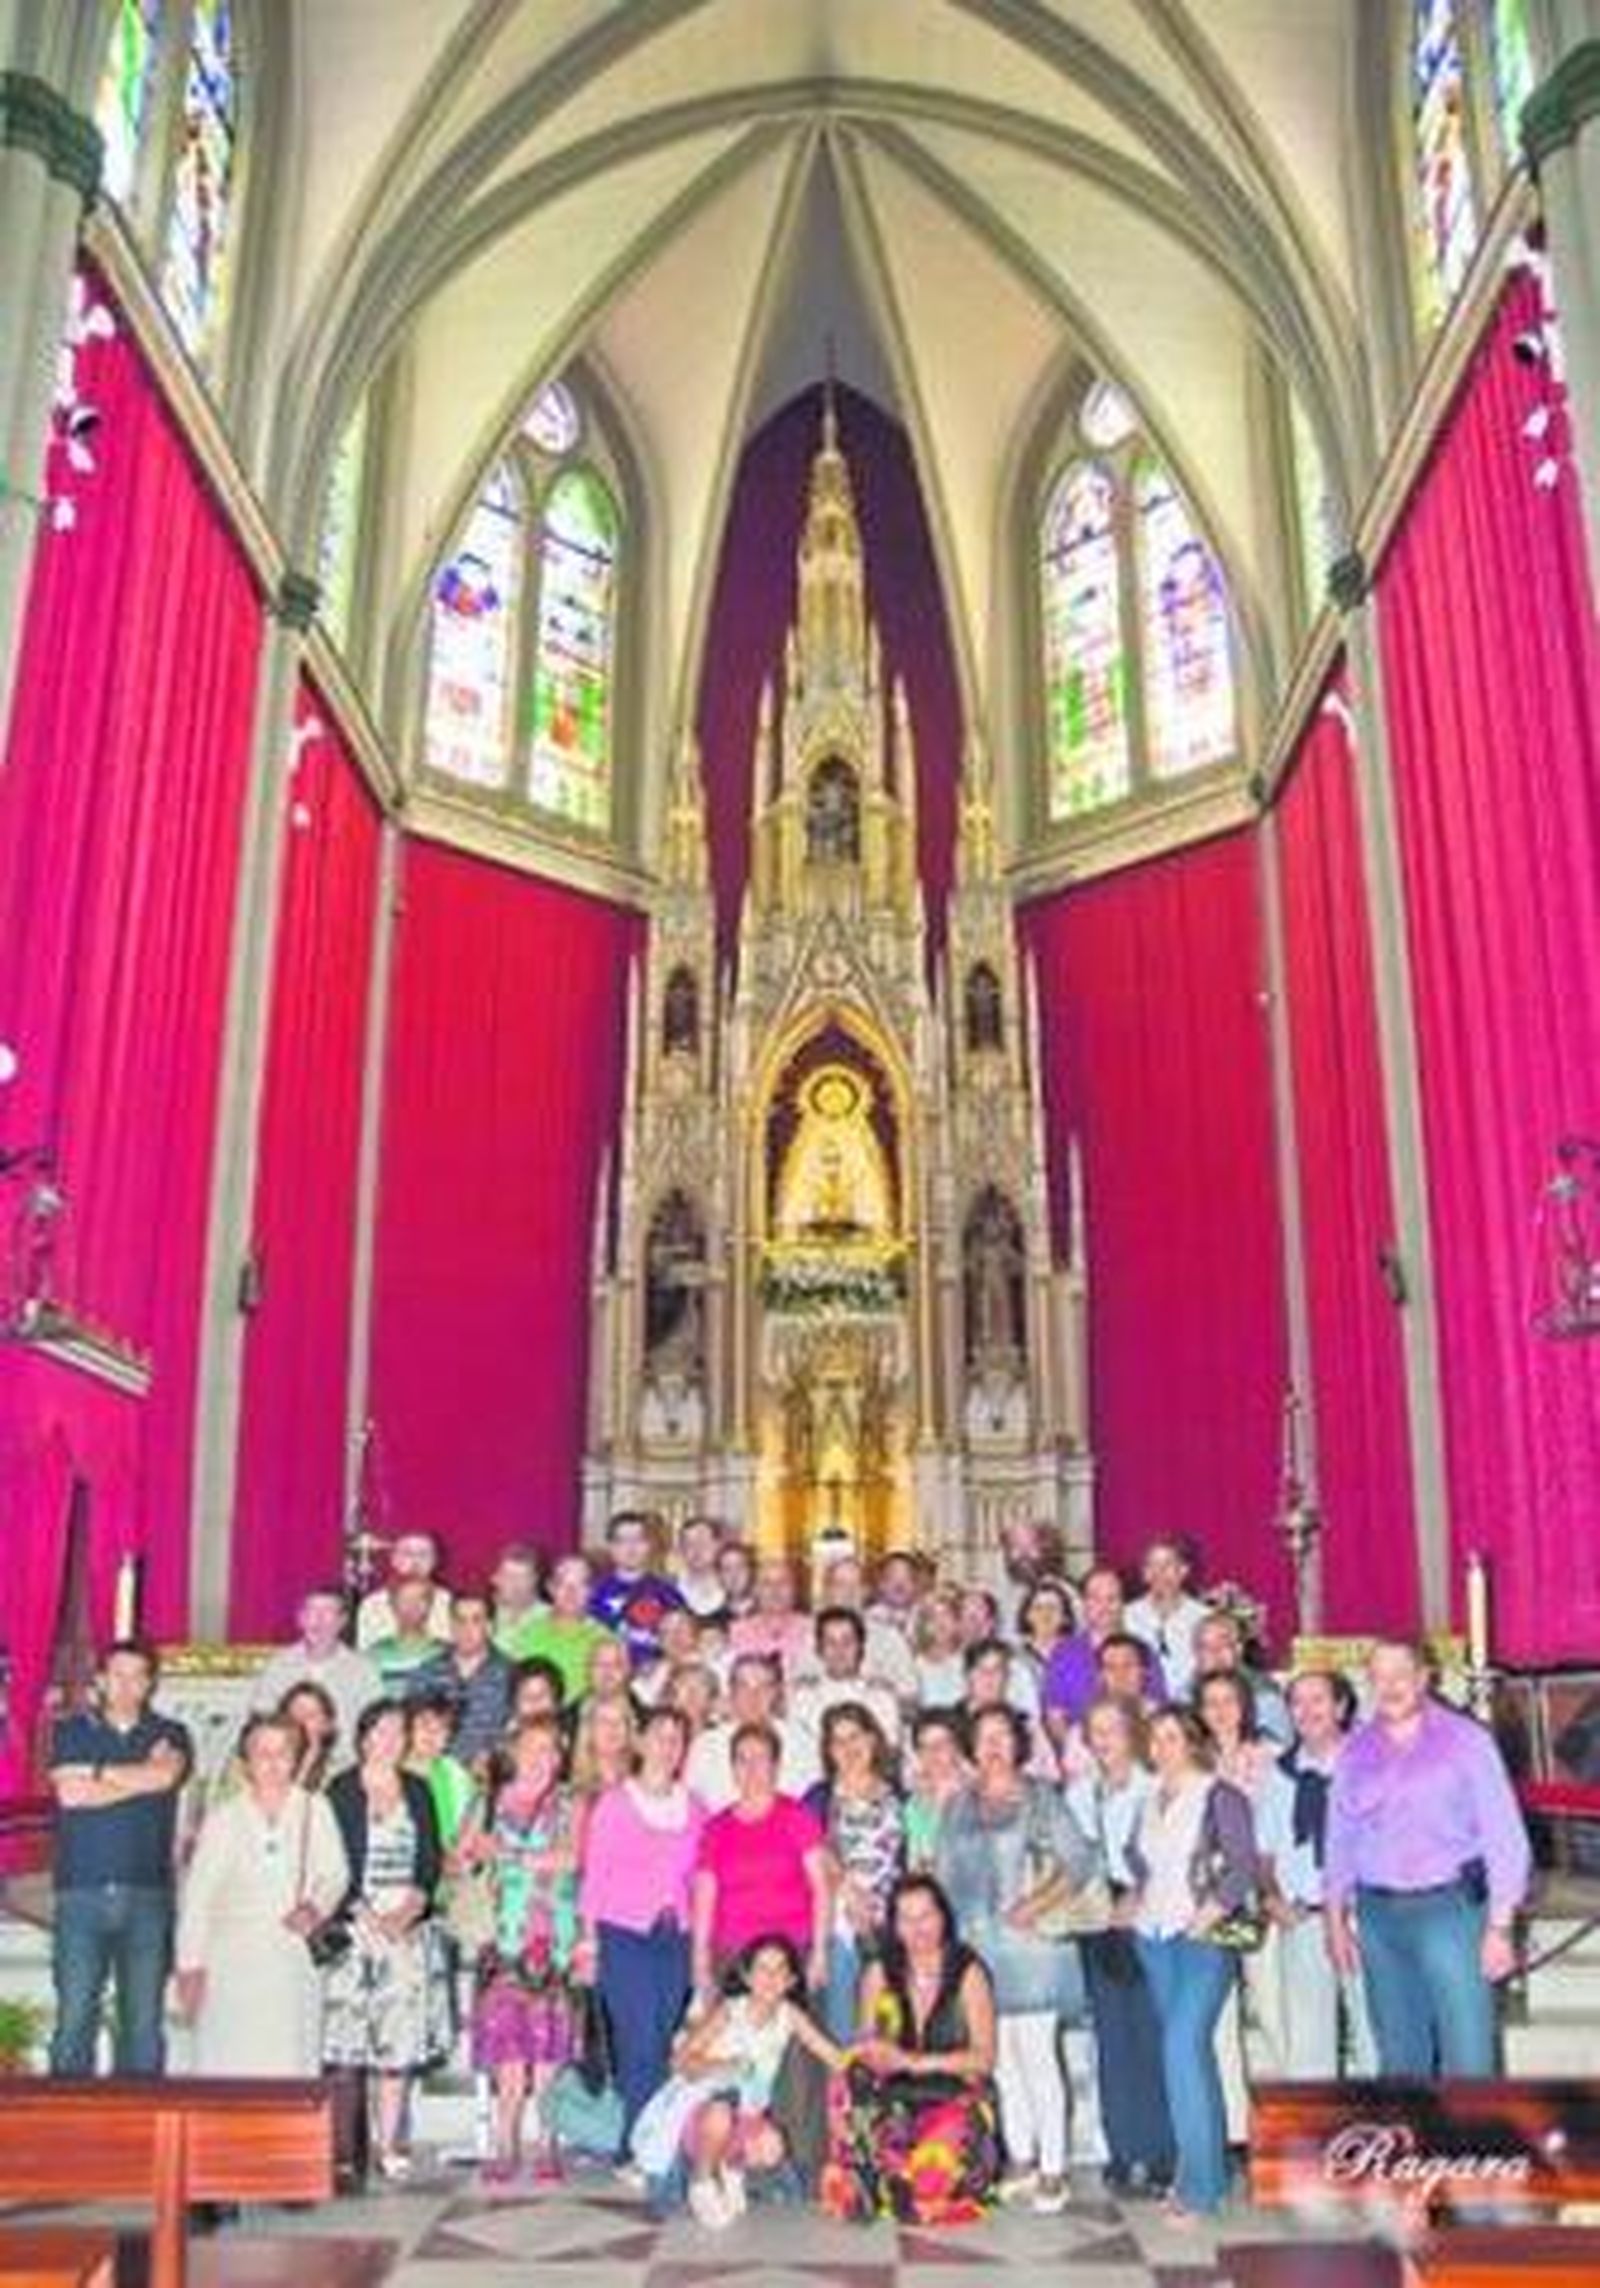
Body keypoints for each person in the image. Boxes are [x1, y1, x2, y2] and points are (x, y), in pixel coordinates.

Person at [1324, 1637, 1531, 2079]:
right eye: (1379, 1677)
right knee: (1399, 2058)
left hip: (1450, 1913)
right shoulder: (1356, 1750)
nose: (1390, 1686)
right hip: (1379, 1917)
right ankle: (1408, 2128)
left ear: (1424, 1678)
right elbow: (1339, 1838)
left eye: (1400, 1675)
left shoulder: (1467, 1741)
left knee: (1469, 2058)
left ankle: (1472, 2129)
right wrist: (1335, 1919)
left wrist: (1500, 1927)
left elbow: (1505, 1837)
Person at [936, 1705, 1096, 2214]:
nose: (993, 1746)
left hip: (1032, 1952)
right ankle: (1021, 2159)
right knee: (999, 2060)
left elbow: (1079, 1860)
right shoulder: (957, 1806)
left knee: (1038, 2056)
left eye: (1002, 1735)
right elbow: (942, 1878)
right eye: (983, 1737)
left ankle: (1053, 2167)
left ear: (1018, 1743)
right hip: (976, 1951)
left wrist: (1037, 1904)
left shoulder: (1041, 1798)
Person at [1125, 1705, 1258, 2220]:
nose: (1161, 1747)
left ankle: (1200, 2189)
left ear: (1193, 1743)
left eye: (1172, 1737)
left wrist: (1211, 1911)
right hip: (1154, 1937)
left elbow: (1242, 1866)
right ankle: (1205, 2172)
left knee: (1182, 2047)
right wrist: (1136, 1897)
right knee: (1186, 2056)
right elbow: (1139, 1860)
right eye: (1155, 1738)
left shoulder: (1219, 1795)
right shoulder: (1148, 1800)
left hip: (1202, 1937)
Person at [48, 1639, 193, 2076]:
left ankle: (140, 2117)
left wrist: (94, 1772)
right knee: (74, 2019)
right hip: (81, 1893)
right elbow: (70, 1796)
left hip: (147, 1895)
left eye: (137, 1676)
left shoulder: (170, 1733)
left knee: (143, 2027)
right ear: (100, 1680)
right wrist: (141, 1777)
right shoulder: (72, 1730)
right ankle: (66, 2114)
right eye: (117, 1675)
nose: (126, 1685)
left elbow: (164, 1779)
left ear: (150, 1684)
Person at [174, 1711, 349, 2074]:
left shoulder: (315, 1809)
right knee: (230, 2068)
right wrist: (190, 1966)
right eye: (262, 1753)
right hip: (231, 1963)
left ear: (296, 1758)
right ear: (246, 1762)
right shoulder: (224, 1817)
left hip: (292, 1959)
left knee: (290, 2064)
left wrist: (315, 1908)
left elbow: (335, 1874)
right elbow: (198, 1899)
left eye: (282, 1753)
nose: (272, 1763)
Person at [823, 1874, 1001, 2226]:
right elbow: (865, 2048)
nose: (918, 1928)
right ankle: (881, 2178)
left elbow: (985, 2059)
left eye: (926, 1916)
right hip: (896, 2100)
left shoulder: (968, 1971)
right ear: (894, 1925)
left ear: (943, 1917)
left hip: (952, 2095)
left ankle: (906, 2183)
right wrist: (864, 2063)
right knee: (847, 2081)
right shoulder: (878, 1972)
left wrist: (915, 2062)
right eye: (906, 1918)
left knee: (935, 2166)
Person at [632, 1936, 846, 2223]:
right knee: (721, 2111)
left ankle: (729, 2168)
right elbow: (680, 2061)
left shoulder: (789, 2015)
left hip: (745, 2112)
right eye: (762, 1968)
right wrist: (724, 2065)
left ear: (791, 1980)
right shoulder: (730, 2011)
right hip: (701, 2109)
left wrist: (864, 2064)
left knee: (772, 2146)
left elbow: (831, 2053)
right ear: (747, 1976)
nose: (770, 1977)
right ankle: (701, 2182)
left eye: (780, 1969)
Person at [323, 1700, 451, 2181]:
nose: (391, 1740)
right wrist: (363, 1912)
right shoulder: (341, 1790)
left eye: (400, 1731)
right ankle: (343, 2149)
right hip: (355, 1926)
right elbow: (331, 1861)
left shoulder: (417, 1789)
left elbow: (431, 1859)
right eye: (382, 1730)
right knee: (346, 2047)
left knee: (396, 2045)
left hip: (405, 1929)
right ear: (363, 1737)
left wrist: (411, 1908)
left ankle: (389, 2141)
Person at [463, 1714, 585, 2181]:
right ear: (513, 1752)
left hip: (554, 1938)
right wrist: (471, 1853)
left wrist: (508, 1854)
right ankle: (505, 2137)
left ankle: (547, 2138)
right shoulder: (487, 1800)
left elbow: (571, 1858)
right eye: (532, 1748)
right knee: (508, 2045)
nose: (541, 1758)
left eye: (550, 1749)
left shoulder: (570, 1802)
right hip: (502, 1939)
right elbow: (459, 1856)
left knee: (550, 2046)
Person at [580, 1704, 707, 2147]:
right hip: (624, 1935)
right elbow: (595, 1875)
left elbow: (700, 1878)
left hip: (676, 1937)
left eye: (676, 1739)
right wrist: (589, 1943)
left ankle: (651, 2143)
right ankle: (638, 2144)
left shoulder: (695, 1807)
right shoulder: (615, 1804)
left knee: (661, 2037)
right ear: (639, 1742)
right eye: (659, 1736)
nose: (667, 1746)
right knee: (639, 2040)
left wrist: (701, 1942)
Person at [1066, 1697, 1174, 2197]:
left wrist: (1137, 1896)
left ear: (1133, 1733)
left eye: (1113, 1729)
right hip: (1098, 1923)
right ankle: (1123, 2151)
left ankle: (1162, 2152)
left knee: (1152, 2038)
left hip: (1148, 1919)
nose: (1104, 1739)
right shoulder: (1079, 1793)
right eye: (1096, 1730)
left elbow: (1169, 1857)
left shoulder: (1154, 1788)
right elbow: (1072, 1859)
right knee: (1111, 2040)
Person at [1271, 1669, 1374, 2078]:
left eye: (1317, 1700)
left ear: (1341, 1707)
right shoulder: (1279, 1774)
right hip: (1303, 1916)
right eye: (1297, 1702)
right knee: (1308, 2044)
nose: (1307, 1710)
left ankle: (1385, 2116)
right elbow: (1265, 1848)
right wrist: (1271, 1896)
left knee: (1375, 2033)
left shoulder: (1369, 1763)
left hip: (1362, 1915)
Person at [691, 1723, 830, 2001]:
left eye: (760, 1759)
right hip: (732, 1954)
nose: (751, 1768)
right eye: (742, 1760)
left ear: (775, 1767)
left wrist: (820, 1952)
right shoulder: (715, 1828)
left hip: (791, 1952)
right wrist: (699, 1957)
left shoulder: (798, 1817)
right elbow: (704, 1897)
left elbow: (822, 1889)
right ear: (732, 1769)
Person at [808, 1702, 905, 2041]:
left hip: (893, 1928)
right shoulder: (820, 1797)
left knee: (888, 2030)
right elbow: (811, 1851)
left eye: (856, 1736)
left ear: (873, 1739)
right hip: (841, 1926)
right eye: (838, 1741)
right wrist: (849, 1891)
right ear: (828, 1751)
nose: (848, 1747)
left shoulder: (899, 1794)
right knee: (842, 2031)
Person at [252, 1586, 383, 1748]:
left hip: (344, 1758)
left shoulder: (363, 1670)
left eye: (327, 1612)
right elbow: (261, 1718)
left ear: (342, 1621)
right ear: (300, 1619)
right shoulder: (279, 1666)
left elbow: (373, 1724)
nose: (318, 1621)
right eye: (311, 1612)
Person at [1041, 1565, 1166, 1732]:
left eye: (1112, 1598)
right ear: (1083, 1604)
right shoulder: (1063, 1653)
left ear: (1123, 1603)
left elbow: (1157, 1712)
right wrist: (1072, 1747)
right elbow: (1054, 1715)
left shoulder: (1144, 1651)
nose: (1104, 1606)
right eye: (1095, 1599)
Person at [687, 1653, 812, 1807]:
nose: (753, 1696)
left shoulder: (801, 1741)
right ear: (731, 1692)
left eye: (764, 1687)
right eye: (743, 1686)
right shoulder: (706, 1745)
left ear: (776, 1692)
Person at [408, 1589, 514, 1767]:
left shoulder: (510, 1675)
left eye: (476, 1620)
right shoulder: (427, 1673)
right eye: (460, 1620)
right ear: (450, 1624)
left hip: (488, 1775)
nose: (466, 1629)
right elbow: (410, 1728)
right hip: (432, 1773)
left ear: (490, 1627)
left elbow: (517, 1734)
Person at [789, 1607, 902, 1765]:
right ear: (819, 1649)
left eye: (847, 1642)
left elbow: (889, 1753)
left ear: (860, 1647)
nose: (839, 1651)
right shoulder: (803, 1699)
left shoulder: (881, 1698)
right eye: (831, 1642)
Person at [517, 1554, 617, 1706]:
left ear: (591, 1590)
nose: (571, 1592)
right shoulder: (527, 1634)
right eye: (563, 1583)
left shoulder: (605, 1640)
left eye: (580, 1584)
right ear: (550, 1588)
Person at [589, 1513, 685, 1667]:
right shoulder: (593, 1594)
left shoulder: (668, 1593)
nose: (631, 1548)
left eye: (638, 1540)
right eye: (622, 1541)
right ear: (611, 1547)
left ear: (649, 1545)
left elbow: (682, 1643)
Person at [1124, 1537, 1210, 1699]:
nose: (1160, 1573)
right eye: (1152, 1566)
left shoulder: (1203, 1617)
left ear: (1183, 1570)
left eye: (1167, 1565)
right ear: (1144, 1574)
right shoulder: (1127, 1616)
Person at [1192, 1608, 1290, 1744]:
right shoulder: (1186, 1694)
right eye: (1206, 1646)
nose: (1215, 1652)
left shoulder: (1264, 1693)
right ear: (1196, 1654)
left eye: (1223, 1643)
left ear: (1238, 1649)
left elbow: (1281, 1742)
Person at [356, 1530, 452, 1650]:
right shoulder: (372, 1604)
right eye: (408, 1553)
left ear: (435, 1561)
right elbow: (365, 1652)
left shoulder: (449, 1603)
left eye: (423, 1554)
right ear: (393, 1560)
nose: (415, 1562)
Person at [903, 1708, 968, 1872]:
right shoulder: (914, 1804)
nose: (932, 1753)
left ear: (958, 1747)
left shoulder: (976, 1797)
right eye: (924, 1747)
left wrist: (941, 1804)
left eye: (941, 1744)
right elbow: (916, 1863)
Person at [729, 1556, 814, 1680]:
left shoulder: (812, 1629)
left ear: (794, 1589)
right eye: (767, 1584)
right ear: (756, 1590)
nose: (775, 1590)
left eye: (783, 1583)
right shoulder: (737, 1632)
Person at [367, 1576, 449, 1694]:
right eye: (405, 1600)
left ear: (430, 1605)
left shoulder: (445, 1652)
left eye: (420, 1599)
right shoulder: (375, 1655)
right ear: (392, 1605)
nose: (413, 1606)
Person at [277, 1679, 341, 1790]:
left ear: (326, 1724)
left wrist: (310, 1756)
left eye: (310, 1716)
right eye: (294, 1715)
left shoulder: (337, 1772)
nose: (301, 1722)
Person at [490, 1543, 547, 1663]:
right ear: (496, 1579)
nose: (516, 1585)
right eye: (509, 1577)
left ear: (535, 1580)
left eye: (523, 1577)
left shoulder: (549, 1617)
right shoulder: (484, 1614)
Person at [912, 1589, 967, 1709]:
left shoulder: (967, 1661)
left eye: (946, 1615)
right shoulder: (915, 1665)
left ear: (957, 1623)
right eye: (932, 1617)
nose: (939, 1622)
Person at [674, 1515, 728, 1619]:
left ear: (718, 1545)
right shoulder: (669, 1590)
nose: (697, 1550)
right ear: (681, 1549)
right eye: (689, 1544)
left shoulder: (733, 1590)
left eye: (702, 1542)